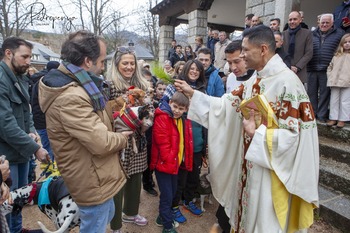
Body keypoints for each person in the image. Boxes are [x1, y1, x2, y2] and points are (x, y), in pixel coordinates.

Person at [174, 25, 319, 233]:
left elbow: (295, 139)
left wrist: (257, 134)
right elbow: (227, 105)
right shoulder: (256, 78)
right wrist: (193, 95)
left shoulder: (288, 84)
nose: (241, 55)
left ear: (262, 49)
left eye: (245, 50)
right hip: (249, 165)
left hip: (271, 173)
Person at [39, 30, 129, 232]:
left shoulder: (81, 86)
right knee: (95, 224)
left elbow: (93, 120)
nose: (103, 66)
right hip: (91, 178)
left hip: (94, 172)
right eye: (102, 60)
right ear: (88, 61)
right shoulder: (70, 96)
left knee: (107, 214)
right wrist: (122, 138)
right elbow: (101, 142)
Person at [0, 37, 50, 233]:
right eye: (25, 56)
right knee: (6, 205)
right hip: (6, 156)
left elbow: (26, 111)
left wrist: (31, 132)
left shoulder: (19, 77)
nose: (29, 61)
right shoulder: (2, 80)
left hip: (21, 153)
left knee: (18, 202)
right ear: (8, 53)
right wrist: (36, 148)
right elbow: (5, 124)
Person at [107, 46, 150, 233]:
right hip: (119, 139)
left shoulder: (142, 84)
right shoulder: (108, 85)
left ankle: (131, 212)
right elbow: (104, 113)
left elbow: (149, 109)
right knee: (118, 180)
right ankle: (115, 224)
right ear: (117, 64)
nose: (129, 67)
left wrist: (148, 118)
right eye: (125, 63)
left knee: (136, 176)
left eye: (132, 63)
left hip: (138, 137)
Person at [168, 60, 206, 224]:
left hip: (197, 140)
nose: (194, 71)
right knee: (180, 177)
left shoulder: (203, 90)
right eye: (191, 68)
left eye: (197, 69)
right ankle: (174, 205)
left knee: (194, 176)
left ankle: (188, 200)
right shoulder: (177, 87)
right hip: (183, 142)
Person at [151, 91, 192, 233]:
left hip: (174, 164)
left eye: (181, 109)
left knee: (172, 192)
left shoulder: (181, 119)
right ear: (170, 103)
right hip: (164, 165)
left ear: (186, 109)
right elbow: (163, 143)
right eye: (175, 106)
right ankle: (167, 227)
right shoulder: (163, 117)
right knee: (167, 196)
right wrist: (172, 160)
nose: (177, 110)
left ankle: (162, 217)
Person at [307, 13, 344, 123]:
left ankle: (322, 115)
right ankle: (312, 114)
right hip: (312, 67)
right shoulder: (311, 34)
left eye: (327, 22)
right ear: (319, 23)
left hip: (327, 69)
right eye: (322, 22)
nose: (324, 24)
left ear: (332, 23)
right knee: (311, 93)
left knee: (324, 94)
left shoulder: (339, 34)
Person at [30, 61, 60, 162]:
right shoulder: (46, 83)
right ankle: (51, 176)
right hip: (45, 123)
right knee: (50, 152)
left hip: (40, 122)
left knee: (49, 149)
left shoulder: (39, 81)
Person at [282, 11, 313, 84]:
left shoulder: (307, 33)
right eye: (290, 19)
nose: (292, 21)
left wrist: (297, 67)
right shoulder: (283, 34)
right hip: (284, 70)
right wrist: (288, 66)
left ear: (300, 20)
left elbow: (309, 53)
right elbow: (280, 52)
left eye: (295, 19)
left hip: (300, 72)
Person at [326, 33, 350, 128]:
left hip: (347, 82)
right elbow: (330, 67)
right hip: (335, 81)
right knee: (334, 100)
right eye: (345, 42)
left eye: (349, 42)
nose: (347, 44)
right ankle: (333, 118)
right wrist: (330, 76)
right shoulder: (337, 55)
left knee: (345, 101)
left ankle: (342, 119)